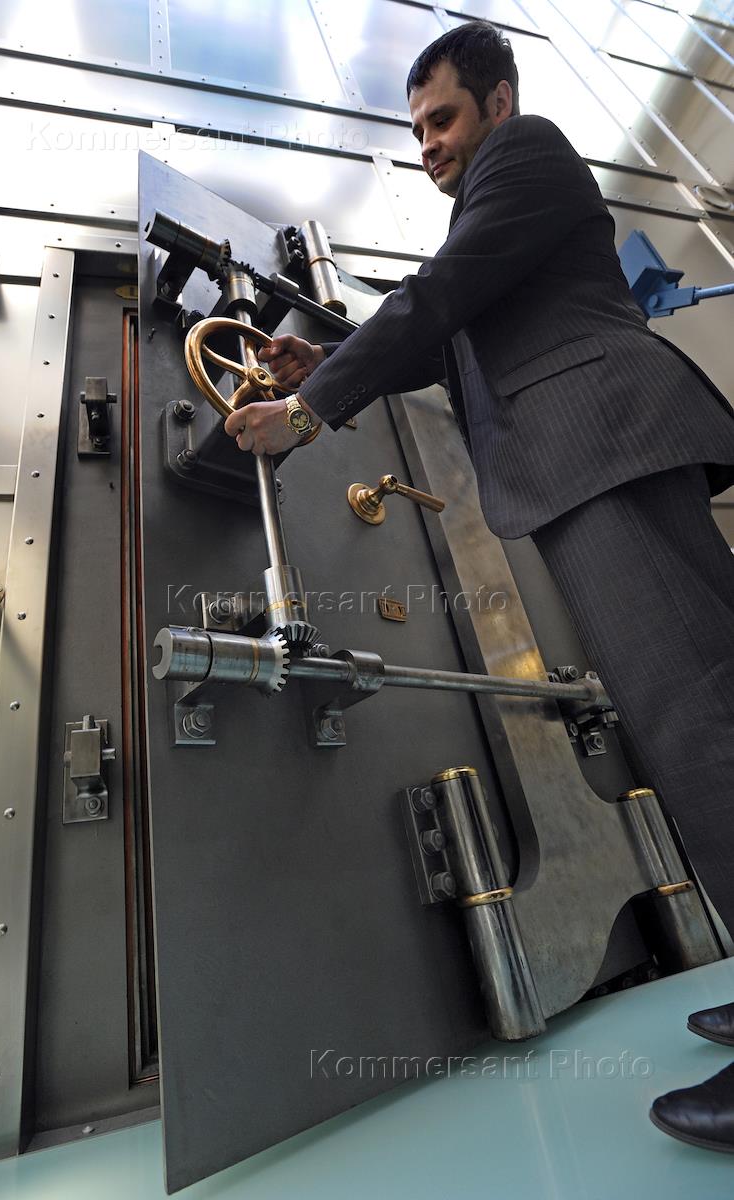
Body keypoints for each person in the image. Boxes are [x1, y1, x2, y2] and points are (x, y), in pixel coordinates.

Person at [224, 20, 734, 1150]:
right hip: (589, 460)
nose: (428, 145)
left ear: (497, 102)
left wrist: (308, 411)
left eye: (442, 118)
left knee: (701, 721)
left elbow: (443, 295)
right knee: (693, 716)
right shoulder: (496, 215)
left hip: (601, 446)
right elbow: (447, 338)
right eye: (415, 130)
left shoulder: (529, 150)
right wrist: (332, 359)